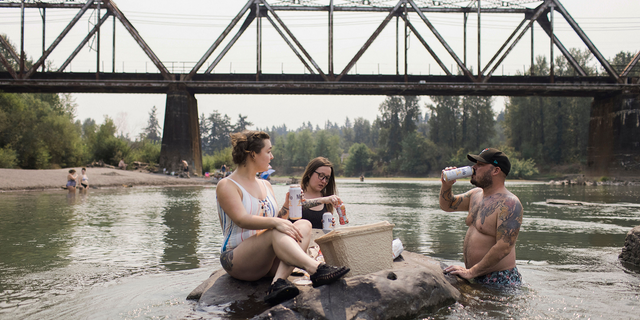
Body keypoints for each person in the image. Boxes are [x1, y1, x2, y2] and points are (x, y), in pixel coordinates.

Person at [216, 130, 349, 306]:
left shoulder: (266, 184)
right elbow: (241, 219)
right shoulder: (227, 185)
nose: (272, 156)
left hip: (268, 263)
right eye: (268, 151)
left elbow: (276, 218)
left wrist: (286, 207)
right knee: (275, 230)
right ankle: (315, 269)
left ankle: (278, 283)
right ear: (253, 154)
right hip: (238, 259)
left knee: (304, 224)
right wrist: (277, 222)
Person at [439, 148, 524, 287]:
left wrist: (471, 272)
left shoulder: (510, 203)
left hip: (499, 281)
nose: (474, 168)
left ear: (495, 170)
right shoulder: (475, 195)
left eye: (480, 165)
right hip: (476, 275)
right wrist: (446, 185)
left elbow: (504, 247)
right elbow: (448, 205)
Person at [281, 157, 341, 229]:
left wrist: (331, 226)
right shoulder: (297, 194)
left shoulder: (327, 199)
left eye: (327, 178)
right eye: (321, 176)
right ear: (309, 174)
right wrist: (323, 200)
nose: (324, 181)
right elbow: (281, 221)